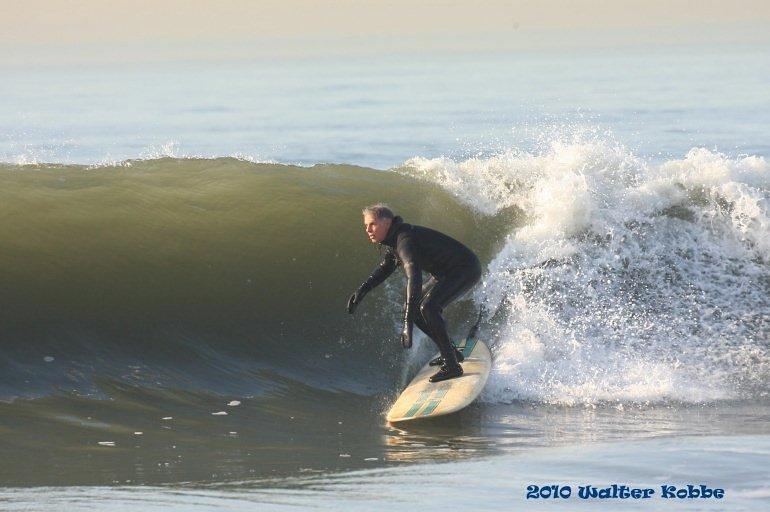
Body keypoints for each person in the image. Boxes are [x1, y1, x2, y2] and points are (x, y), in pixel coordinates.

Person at [347, 204, 482, 383]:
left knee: (429, 307)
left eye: (372, 224)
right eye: (365, 226)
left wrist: (407, 324)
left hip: (465, 268)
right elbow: (386, 266)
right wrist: (362, 290)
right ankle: (452, 353)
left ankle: (452, 366)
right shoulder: (394, 239)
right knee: (416, 309)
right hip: (445, 272)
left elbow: (414, 279)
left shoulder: (405, 240)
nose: (368, 230)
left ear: (387, 223)